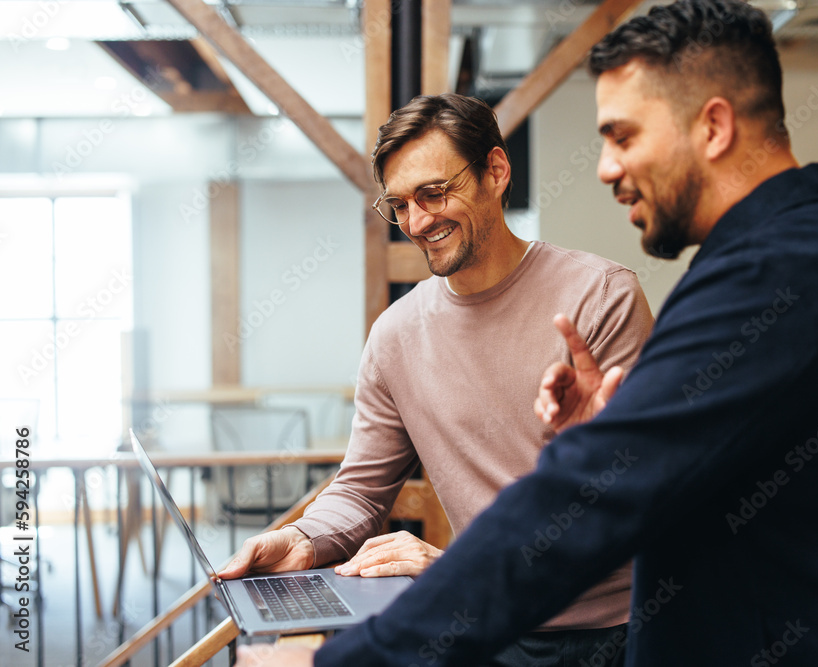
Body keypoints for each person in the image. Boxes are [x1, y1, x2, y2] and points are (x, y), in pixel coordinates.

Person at [237, 1, 818, 665]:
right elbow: (670, 479)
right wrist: (611, 441)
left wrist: (333, 662)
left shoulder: (774, 276)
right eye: (402, 204)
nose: (605, 168)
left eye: (621, 136)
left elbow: (587, 503)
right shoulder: (816, 247)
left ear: (712, 126)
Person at [219, 93, 654, 666]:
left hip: (614, 630)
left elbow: (634, 498)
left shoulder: (600, 296)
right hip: (485, 622)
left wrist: (453, 569)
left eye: (434, 193)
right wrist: (302, 539)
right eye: (398, 205)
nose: (417, 223)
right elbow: (360, 488)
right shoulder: (396, 333)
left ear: (495, 172)